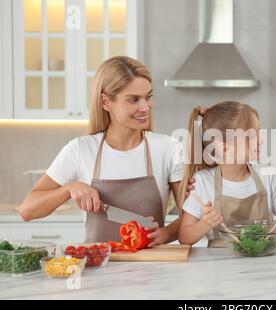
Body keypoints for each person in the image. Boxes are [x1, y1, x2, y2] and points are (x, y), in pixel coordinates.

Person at [19, 56, 184, 246]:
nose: (145, 107)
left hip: (153, 269)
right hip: (97, 269)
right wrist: (68, 189)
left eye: (148, 97)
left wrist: (166, 234)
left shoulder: (168, 149)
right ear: (106, 102)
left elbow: (192, 216)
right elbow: (27, 210)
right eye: (133, 100)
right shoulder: (80, 150)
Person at [178, 101, 276, 247]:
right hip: (217, 266)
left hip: (264, 264)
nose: (261, 140)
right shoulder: (203, 182)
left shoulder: (270, 176)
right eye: (252, 136)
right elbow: (184, 237)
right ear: (225, 148)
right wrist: (205, 224)